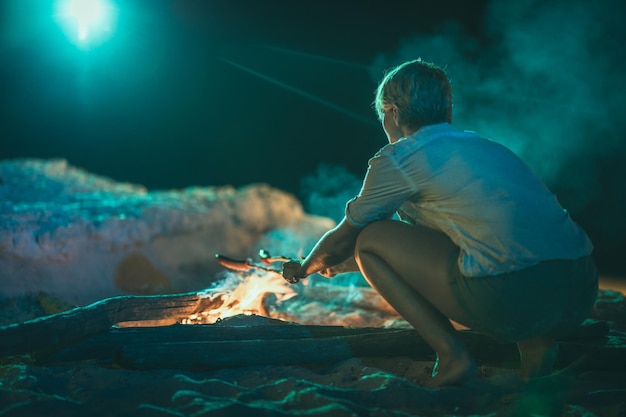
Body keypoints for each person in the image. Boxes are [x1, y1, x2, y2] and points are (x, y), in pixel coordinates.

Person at [281, 59, 598, 387]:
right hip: (578, 294)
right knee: (502, 245)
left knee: (370, 238)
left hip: (508, 299)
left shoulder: (399, 158)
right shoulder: (486, 147)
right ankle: (539, 351)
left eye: (383, 118)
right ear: (445, 110)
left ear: (394, 113)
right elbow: (443, 244)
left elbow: (346, 238)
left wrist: (302, 269)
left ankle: (452, 356)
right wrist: (342, 264)